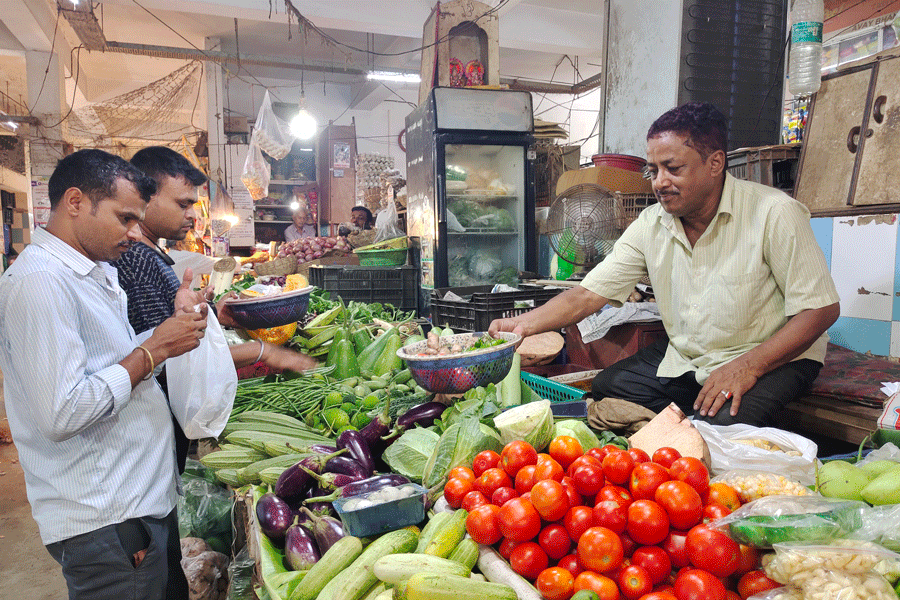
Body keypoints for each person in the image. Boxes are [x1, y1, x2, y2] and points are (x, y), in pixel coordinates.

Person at [490, 102, 840, 427]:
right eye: (653, 170)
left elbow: (820, 310)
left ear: (715, 163)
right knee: (610, 385)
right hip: (693, 356)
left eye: (672, 169)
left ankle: (700, 422)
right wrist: (518, 326)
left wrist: (747, 366)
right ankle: (690, 420)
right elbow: (585, 296)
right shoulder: (651, 223)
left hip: (770, 357)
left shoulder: (774, 213)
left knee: (719, 434)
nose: (659, 182)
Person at [0, 149, 207, 599]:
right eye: (125, 218)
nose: (135, 233)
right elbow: (62, 410)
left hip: (135, 505)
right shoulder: (42, 283)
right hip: (108, 520)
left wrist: (171, 329)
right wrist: (154, 351)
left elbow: (111, 360)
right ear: (75, 202)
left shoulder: (89, 272)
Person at [113, 147, 315, 407]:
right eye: (182, 204)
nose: (193, 215)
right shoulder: (138, 260)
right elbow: (165, 359)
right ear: (146, 198)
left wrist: (211, 313)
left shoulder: (153, 253)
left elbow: (170, 330)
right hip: (154, 414)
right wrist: (260, 351)